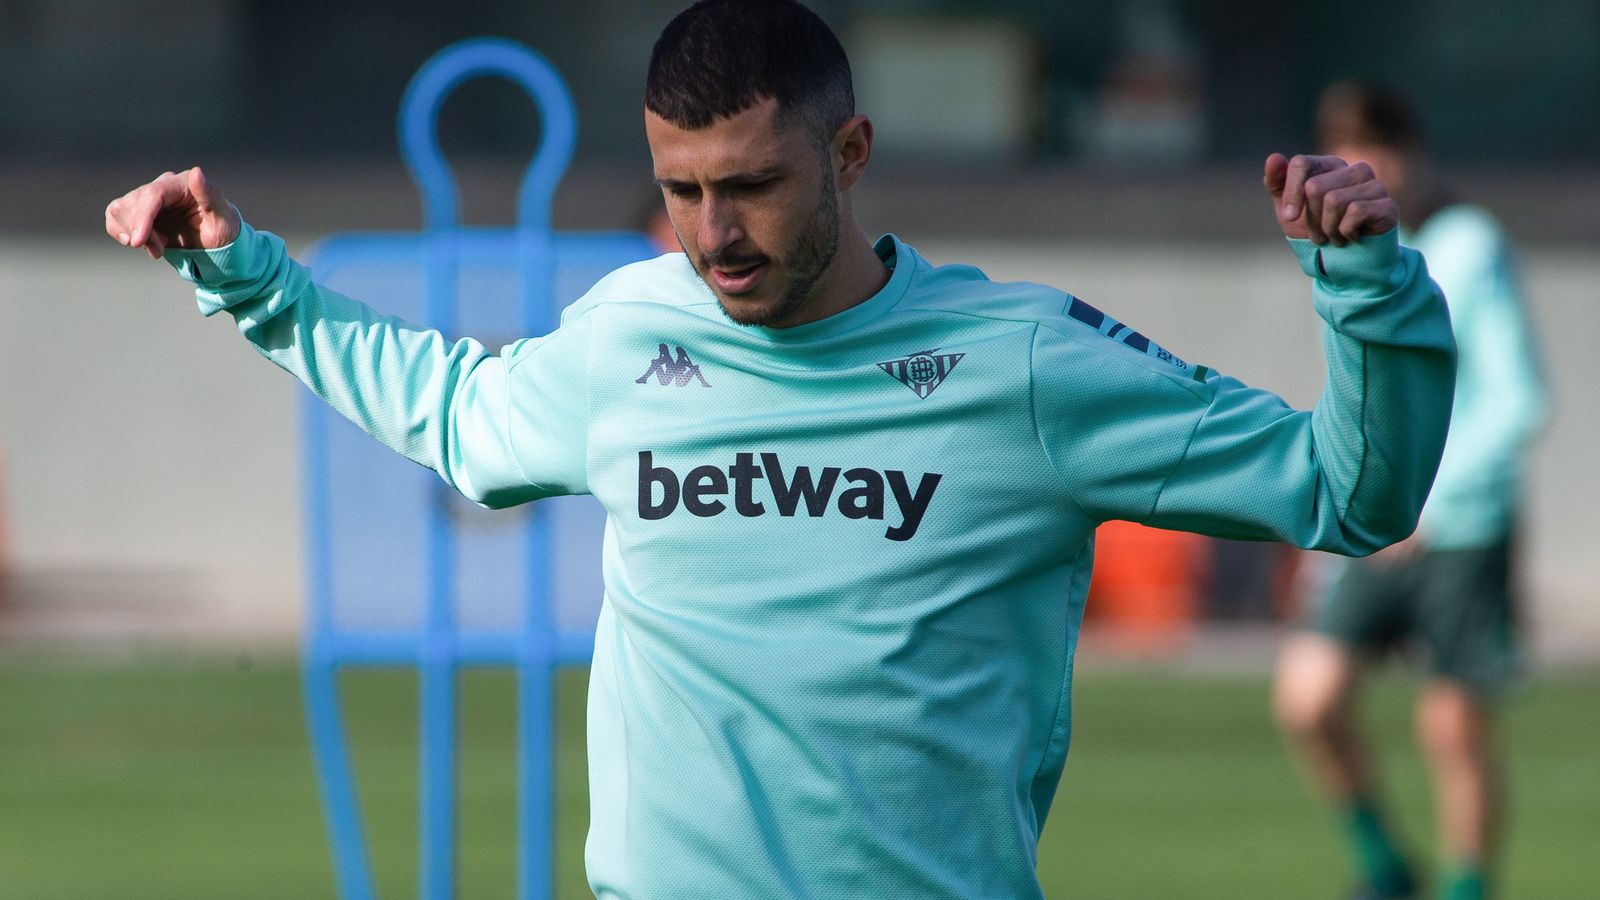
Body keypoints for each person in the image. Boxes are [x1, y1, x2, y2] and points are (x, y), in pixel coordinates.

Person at [104, 4, 1455, 896]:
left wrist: (1369, 295)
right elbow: (455, 415)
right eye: (685, 189)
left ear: (850, 151)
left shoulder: (1028, 362)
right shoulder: (628, 333)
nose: (712, 231)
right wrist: (250, 281)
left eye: (751, 183)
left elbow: (1350, 491)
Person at [1273, 82, 1547, 900]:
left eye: (1380, 153)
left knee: (1451, 726)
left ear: (1413, 154)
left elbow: (1518, 398)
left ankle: (1466, 889)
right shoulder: (1356, 251)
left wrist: (1425, 502)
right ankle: (1385, 868)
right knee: (1307, 699)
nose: (1369, 172)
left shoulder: (1469, 244)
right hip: (1375, 522)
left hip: (1456, 525)